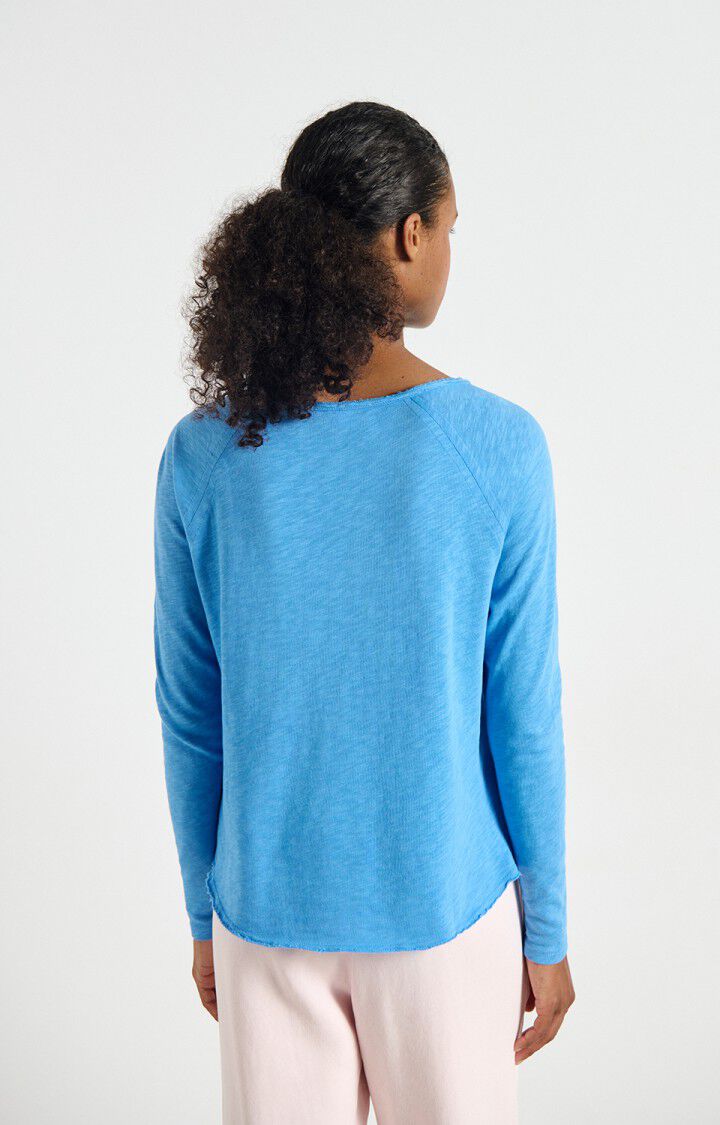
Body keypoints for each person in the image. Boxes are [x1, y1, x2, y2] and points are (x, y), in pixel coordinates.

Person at [153, 100, 575, 1124]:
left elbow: (190, 712)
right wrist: (549, 932)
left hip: (266, 912)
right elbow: (522, 716)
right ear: (410, 234)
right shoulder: (497, 447)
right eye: (452, 227)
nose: (450, 250)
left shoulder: (205, 454)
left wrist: (205, 910)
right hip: (446, 915)